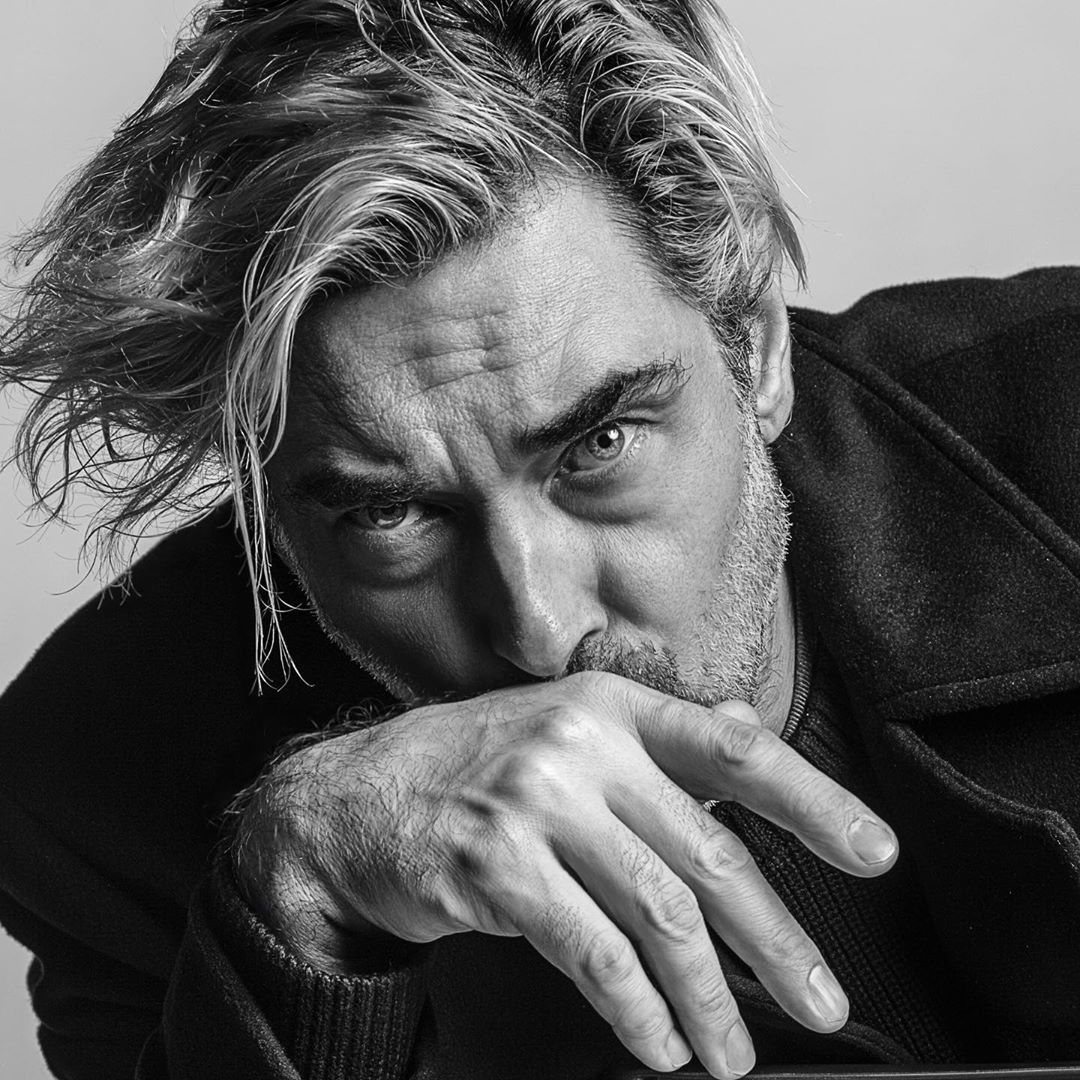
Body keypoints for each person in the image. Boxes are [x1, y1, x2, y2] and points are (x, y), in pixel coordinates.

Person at [1, 1, 1078, 1078]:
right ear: (267, 509)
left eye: (597, 444)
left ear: (754, 350)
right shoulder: (95, 799)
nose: (540, 629)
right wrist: (300, 905)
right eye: (388, 513)